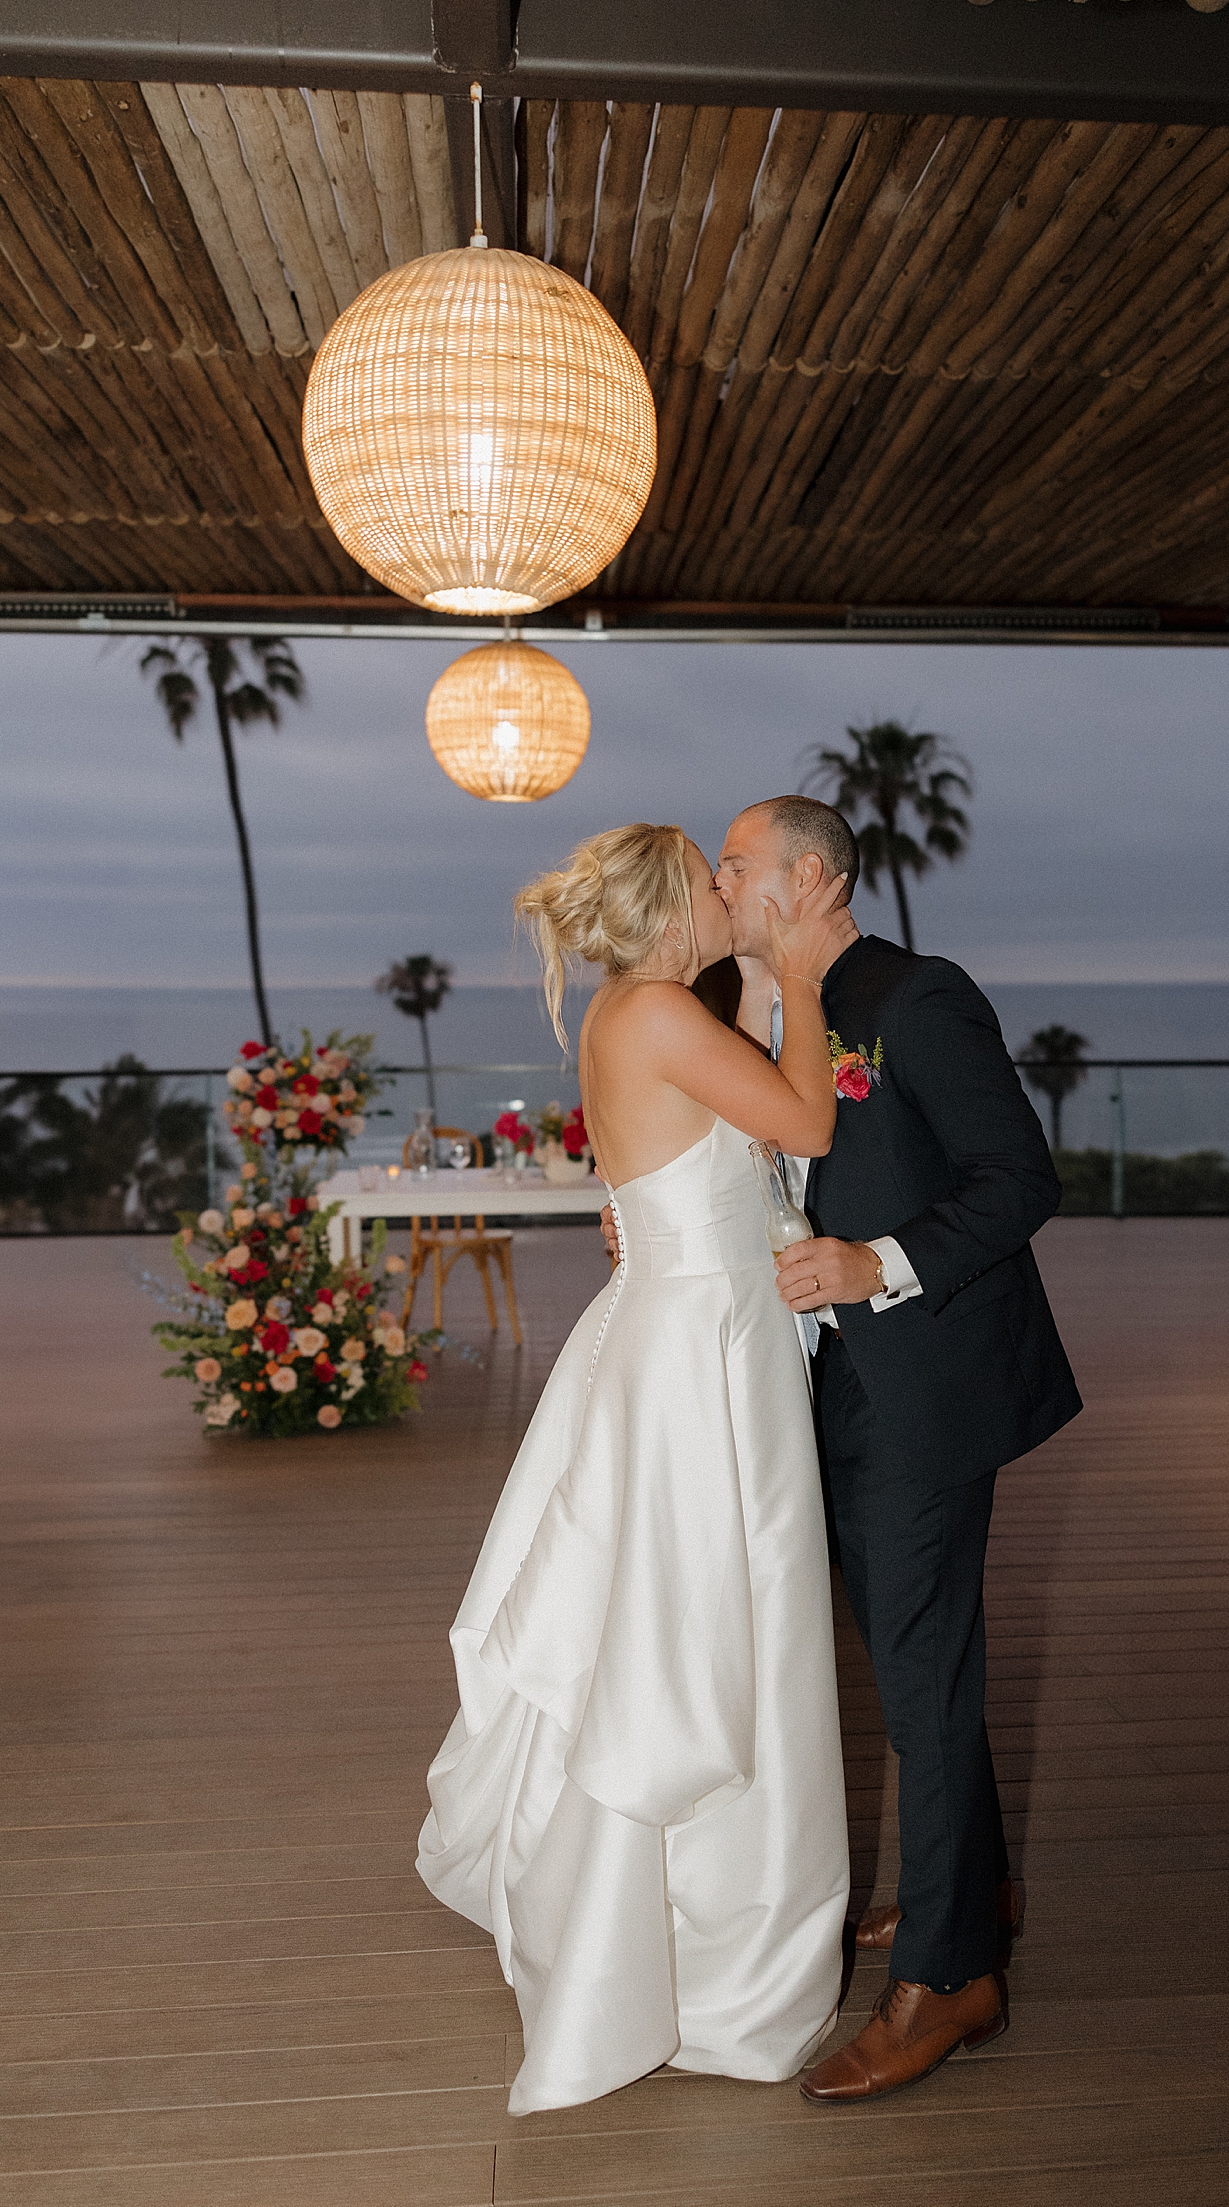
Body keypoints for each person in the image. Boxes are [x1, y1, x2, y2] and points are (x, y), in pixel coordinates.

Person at [416, 821, 856, 2116]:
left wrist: (770, 988)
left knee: (669, 1626)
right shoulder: (661, 1011)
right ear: (678, 911)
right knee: (710, 1629)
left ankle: (678, 1927)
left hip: (679, 1327)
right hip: (700, 1357)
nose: (732, 893)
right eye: (715, 882)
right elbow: (812, 1120)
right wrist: (811, 977)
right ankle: (711, 1964)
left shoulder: (636, 1008)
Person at [713, 793, 1082, 2103]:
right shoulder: (743, 1002)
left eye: (739, 864)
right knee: (913, 1657)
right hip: (820, 1386)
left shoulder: (916, 995)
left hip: (926, 1384)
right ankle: (969, 1885)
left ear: (810, 876)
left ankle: (945, 1976)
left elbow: (1020, 1178)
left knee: (921, 1673)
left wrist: (881, 1259)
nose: (721, 881)